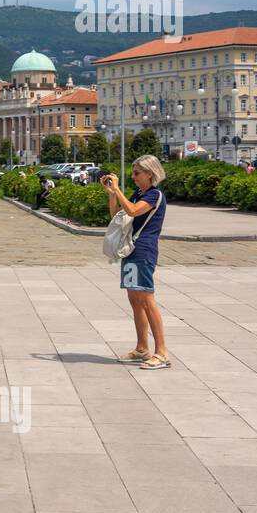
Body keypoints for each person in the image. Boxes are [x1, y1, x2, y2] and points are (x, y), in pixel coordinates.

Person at [102, 154, 170, 370]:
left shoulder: (154, 195)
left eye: (137, 173)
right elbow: (117, 215)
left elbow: (132, 210)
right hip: (131, 251)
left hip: (144, 251)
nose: (133, 177)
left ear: (150, 173)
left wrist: (118, 190)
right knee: (135, 300)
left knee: (147, 299)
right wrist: (112, 194)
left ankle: (162, 353)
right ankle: (142, 348)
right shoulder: (139, 193)